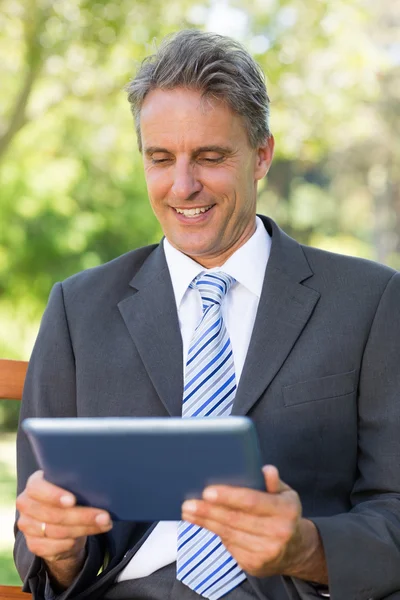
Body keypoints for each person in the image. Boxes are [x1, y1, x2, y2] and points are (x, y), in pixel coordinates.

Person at [14, 29, 400, 600]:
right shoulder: (77, 309)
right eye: (161, 158)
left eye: (211, 157)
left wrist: (309, 547)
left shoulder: (370, 302)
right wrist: (59, 546)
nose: (183, 185)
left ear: (262, 154)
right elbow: (42, 535)